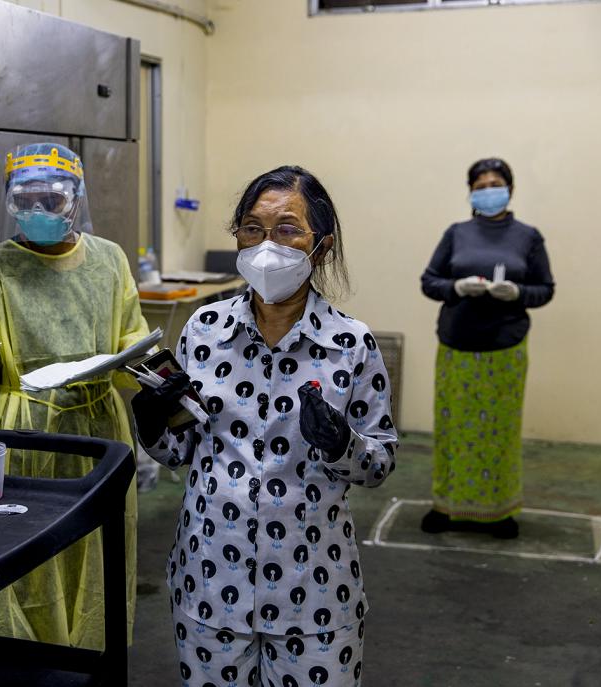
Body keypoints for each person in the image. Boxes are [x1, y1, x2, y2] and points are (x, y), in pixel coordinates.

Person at [132, 166, 397, 687]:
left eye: (287, 229)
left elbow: (379, 462)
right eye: (252, 228)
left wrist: (343, 443)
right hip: (210, 578)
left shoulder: (351, 345)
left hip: (314, 591)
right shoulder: (204, 332)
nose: (266, 245)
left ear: (320, 246)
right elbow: (182, 449)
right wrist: (151, 424)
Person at [0, 142, 149, 650]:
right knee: (25, 557)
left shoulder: (109, 261)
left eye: (51, 200)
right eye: (24, 200)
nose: (38, 212)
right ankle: (29, 665)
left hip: (100, 431)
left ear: (76, 200)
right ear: (9, 202)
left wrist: (148, 366)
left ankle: (93, 658)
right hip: (24, 430)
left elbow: (129, 342)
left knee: (99, 550)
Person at [420, 157, 555, 539]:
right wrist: (456, 288)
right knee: (452, 428)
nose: (487, 191)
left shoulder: (528, 237)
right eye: (479, 186)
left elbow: (545, 290)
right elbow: (429, 281)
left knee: (500, 430)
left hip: (505, 347)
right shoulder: (456, 233)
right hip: (457, 344)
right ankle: (446, 505)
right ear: (470, 191)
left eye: (495, 184)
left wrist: (517, 294)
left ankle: (499, 512)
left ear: (510, 189)